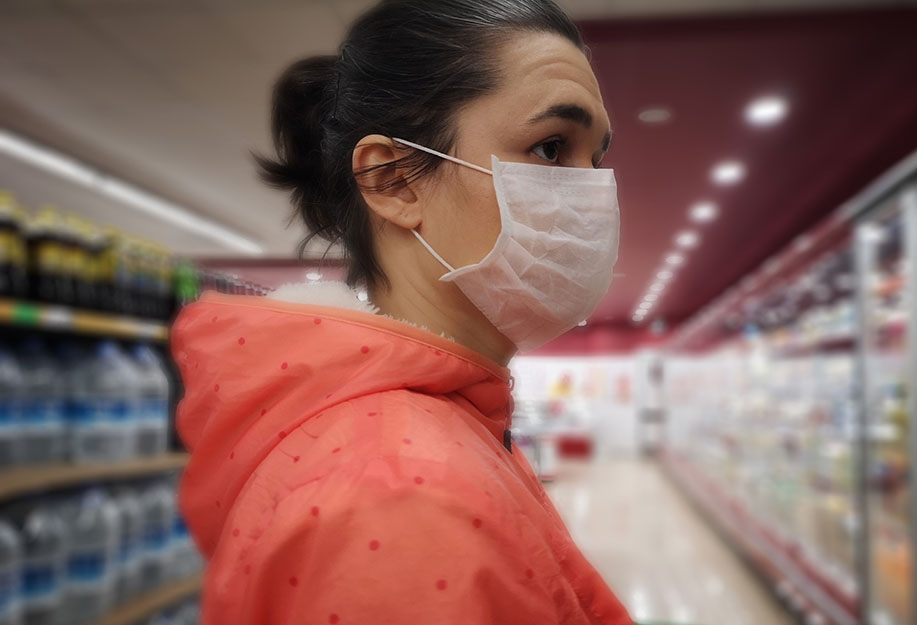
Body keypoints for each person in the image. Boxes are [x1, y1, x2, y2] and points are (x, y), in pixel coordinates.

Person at [170, 0, 626, 622]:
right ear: (393, 181)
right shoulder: (402, 492)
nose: (591, 192)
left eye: (595, 157)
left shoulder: (438, 422)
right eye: (550, 148)